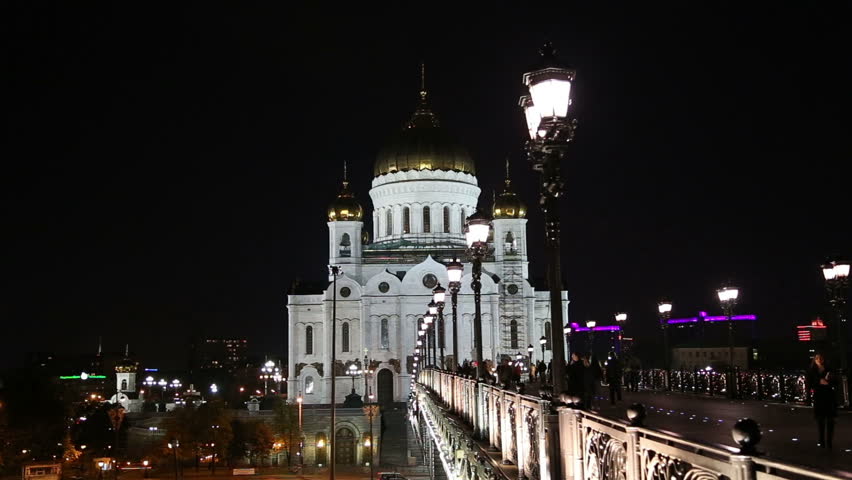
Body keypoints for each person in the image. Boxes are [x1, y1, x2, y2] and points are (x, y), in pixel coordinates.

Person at [807, 353, 837, 448]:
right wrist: (819, 382)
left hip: (829, 396)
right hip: (819, 396)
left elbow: (836, 381)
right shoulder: (812, 370)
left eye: (821, 358)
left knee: (830, 419)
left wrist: (830, 380)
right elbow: (809, 383)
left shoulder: (829, 369)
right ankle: (822, 440)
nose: (819, 360)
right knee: (821, 419)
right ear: (815, 360)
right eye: (817, 358)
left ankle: (829, 440)